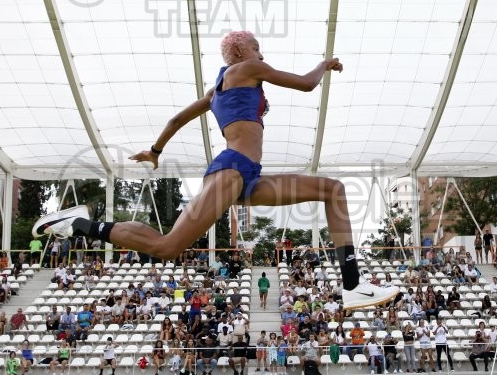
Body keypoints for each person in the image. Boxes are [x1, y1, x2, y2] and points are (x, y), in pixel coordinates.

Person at [33, 31, 398, 310]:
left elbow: (178, 118)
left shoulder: (215, 92)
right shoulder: (247, 68)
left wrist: (156, 150)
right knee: (167, 246)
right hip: (232, 170)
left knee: (332, 189)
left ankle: (352, 285)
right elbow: (305, 84)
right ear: (241, 51)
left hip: (247, 175)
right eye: (258, 47)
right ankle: (79, 224)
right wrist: (325, 64)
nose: (262, 54)